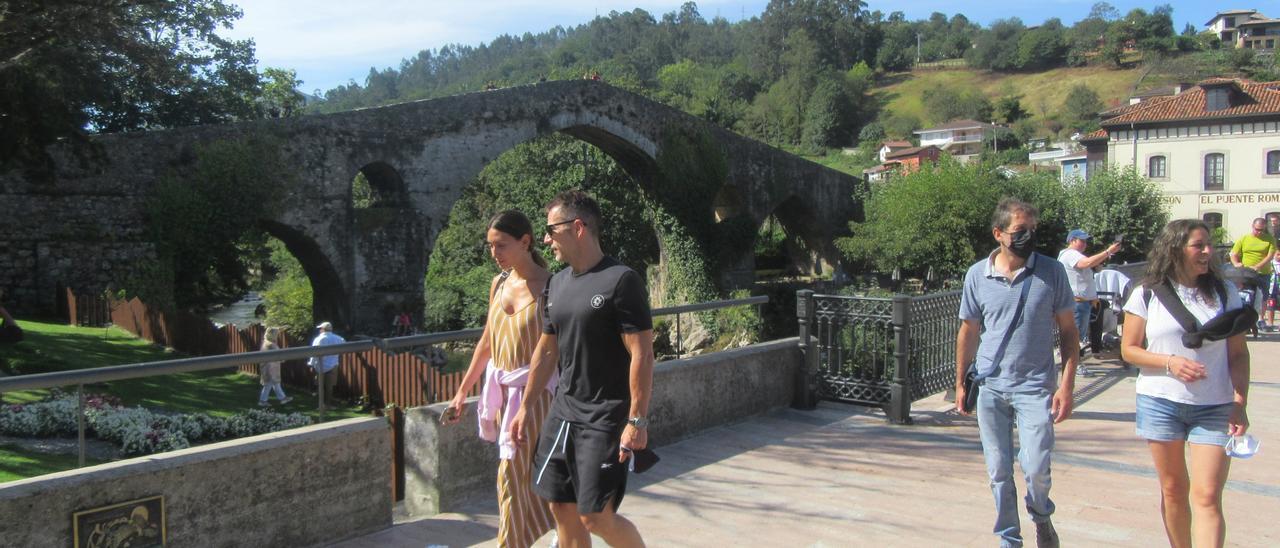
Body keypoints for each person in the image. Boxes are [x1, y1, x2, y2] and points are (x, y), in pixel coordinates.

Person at [510, 190, 654, 548]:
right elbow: (546, 351)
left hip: (604, 417)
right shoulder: (556, 284)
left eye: (550, 230)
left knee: (595, 515)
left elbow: (642, 354)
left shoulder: (621, 281)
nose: (545, 240)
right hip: (563, 414)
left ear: (577, 227)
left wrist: (637, 420)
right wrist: (526, 406)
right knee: (561, 507)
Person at [955, 197, 1080, 548]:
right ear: (999, 234)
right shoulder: (977, 275)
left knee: (1036, 466)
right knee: (998, 471)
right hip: (990, 385)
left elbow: (1070, 332)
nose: (1028, 236)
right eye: (1019, 231)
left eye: (1032, 230)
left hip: (1035, 387)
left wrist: (1067, 386)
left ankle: (1041, 515)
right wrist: (960, 382)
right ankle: (1009, 538)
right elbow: (968, 330)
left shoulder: (1052, 272)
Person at [1120, 219, 1251, 548]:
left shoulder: (1225, 293)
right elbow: (1129, 349)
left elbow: (1238, 354)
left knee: (1207, 495)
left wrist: (1240, 402)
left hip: (1215, 405)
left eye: (1208, 244)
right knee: (1174, 490)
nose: (1208, 252)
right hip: (1160, 402)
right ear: (1175, 249)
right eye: (1199, 245)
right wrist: (1170, 362)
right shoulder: (1146, 293)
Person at [444, 210, 557, 548]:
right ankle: (560, 534)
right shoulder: (499, 283)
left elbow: (556, 350)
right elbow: (487, 342)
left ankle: (519, 542)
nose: (495, 254)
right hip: (507, 395)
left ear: (526, 241)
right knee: (519, 478)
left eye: (501, 246)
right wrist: (463, 392)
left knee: (513, 475)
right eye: (490, 247)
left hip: (539, 398)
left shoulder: (552, 287)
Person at [1057, 229, 1122, 372]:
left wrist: (1102, 261)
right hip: (1077, 302)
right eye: (1082, 240)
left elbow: (1089, 266)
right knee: (1075, 336)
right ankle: (1073, 365)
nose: (1085, 244)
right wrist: (1107, 252)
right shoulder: (1070, 254)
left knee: (1077, 335)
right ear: (1072, 240)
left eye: (1086, 241)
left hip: (1083, 302)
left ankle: (1073, 362)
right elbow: (1085, 263)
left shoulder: (1074, 255)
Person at [1228, 218, 1276, 323]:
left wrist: (1258, 266)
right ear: (1252, 226)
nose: (1259, 232)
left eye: (1261, 230)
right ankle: (1245, 319)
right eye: (1257, 229)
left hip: (1263, 273)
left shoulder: (1269, 239)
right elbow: (1233, 253)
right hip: (1246, 273)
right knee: (1246, 296)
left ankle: (1261, 319)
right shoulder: (1244, 238)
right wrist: (1236, 263)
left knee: (1263, 296)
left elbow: (1270, 256)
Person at [309, 321, 345, 403]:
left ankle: (320, 404)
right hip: (333, 365)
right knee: (330, 387)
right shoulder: (339, 338)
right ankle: (328, 404)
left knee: (320, 386)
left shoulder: (318, 339)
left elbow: (313, 353)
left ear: (323, 329)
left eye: (320, 328)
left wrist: (311, 364)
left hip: (320, 365)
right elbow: (344, 349)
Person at [258, 327, 291, 406]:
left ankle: (283, 398)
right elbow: (278, 355)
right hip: (270, 367)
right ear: (272, 334)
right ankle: (262, 401)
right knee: (269, 384)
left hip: (270, 366)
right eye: (276, 334)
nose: (277, 336)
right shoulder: (271, 345)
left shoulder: (266, 342)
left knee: (275, 384)